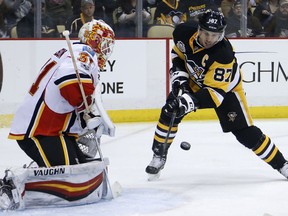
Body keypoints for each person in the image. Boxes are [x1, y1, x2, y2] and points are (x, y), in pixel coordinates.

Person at [145, 10, 288, 181]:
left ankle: (282, 165)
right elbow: (178, 55)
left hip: (225, 90)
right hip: (194, 80)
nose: (209, 39)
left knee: (245, 134)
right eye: (206, 33)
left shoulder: (224, 54)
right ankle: (159, 156)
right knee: (169, 111)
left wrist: (187, 101)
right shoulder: (183, 32)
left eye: (214, 35)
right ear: (199, 29)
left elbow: (215, 95)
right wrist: (179, 78)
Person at [0, 19, 116, 210]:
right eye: (105, 44)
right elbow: (70, 84)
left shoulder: (76, 52)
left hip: (54, 129)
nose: (107, 50)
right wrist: (83, 106)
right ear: (95, 40)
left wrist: (85, 113)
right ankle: (10, 184)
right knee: (69, 175)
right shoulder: (84, 53)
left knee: (79, 166)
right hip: (41, 129)